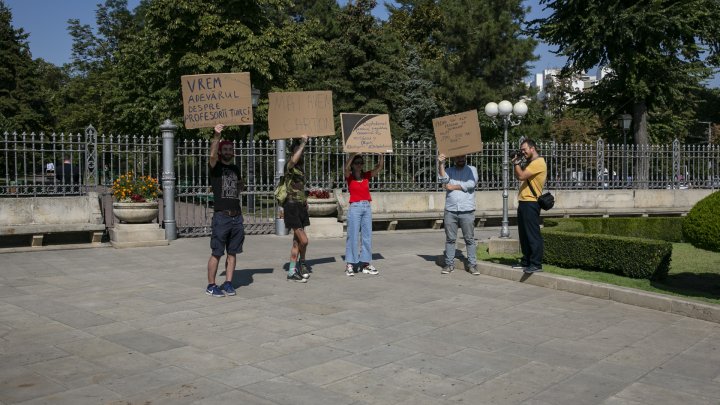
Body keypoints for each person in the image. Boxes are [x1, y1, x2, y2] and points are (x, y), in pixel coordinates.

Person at [206, 124, 245, 297]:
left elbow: (239, 187)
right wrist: (216, 135)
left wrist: (240, 185)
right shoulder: (215, 167)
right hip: (222, 216)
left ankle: (228, 283)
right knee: (217, 252)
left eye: (231, 149)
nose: (229, 151)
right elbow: (212, 155)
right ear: (222, 152)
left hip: (237, 217)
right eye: (226, 149)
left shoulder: (236, 168)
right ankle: (211, 285)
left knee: (233, 252)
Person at [438, 153, 480, 275]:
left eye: (462, 157)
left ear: (466, 157)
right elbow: (443, 180)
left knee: (469, 239)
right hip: (450, 210)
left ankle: (472, 265)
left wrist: (454, 187)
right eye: (458, 157)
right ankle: (449, 264)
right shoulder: (449, 170)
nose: (460, 159)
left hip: (467, 210)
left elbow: (471, 184)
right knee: (450, 239)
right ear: (454, 158)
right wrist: (441, 163)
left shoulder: (472, 169)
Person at [343, 153, 384, 276]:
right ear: (353, 165)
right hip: (355, 207)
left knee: (367, 236)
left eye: (361, 163)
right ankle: (350, 263)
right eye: (357, 163)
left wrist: (381, 155)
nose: (359, 165)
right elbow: (345, 168)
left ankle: (365, 263)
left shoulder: (366, 176)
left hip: (366, 206)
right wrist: (352, 155)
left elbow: (379, 167)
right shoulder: (349, 177)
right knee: (353, 236)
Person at [511, 138, 547, 273]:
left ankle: (536, 264)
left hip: (531, 202)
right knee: (524, 234)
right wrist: (518, 163)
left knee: (532, 234)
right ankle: (526, 261)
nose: (523, 152)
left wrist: (515, 163)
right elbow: (520, 176)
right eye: (521, 150)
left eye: (524, 150)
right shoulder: (531, 162)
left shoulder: (538, 163)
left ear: (532, 148)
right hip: (525, 201)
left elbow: (521, 176)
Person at [284, 134, 311, 283]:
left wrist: (305, 200)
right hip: (291, 206)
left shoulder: (300, 170)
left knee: (296, 243)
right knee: (304, 241)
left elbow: (299, 188)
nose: (301, 154)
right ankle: (302, 263)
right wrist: (303, 143)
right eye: (298, 151)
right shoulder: (289, 165)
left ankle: (292, 271)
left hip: (300, 207)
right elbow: (294, 159)